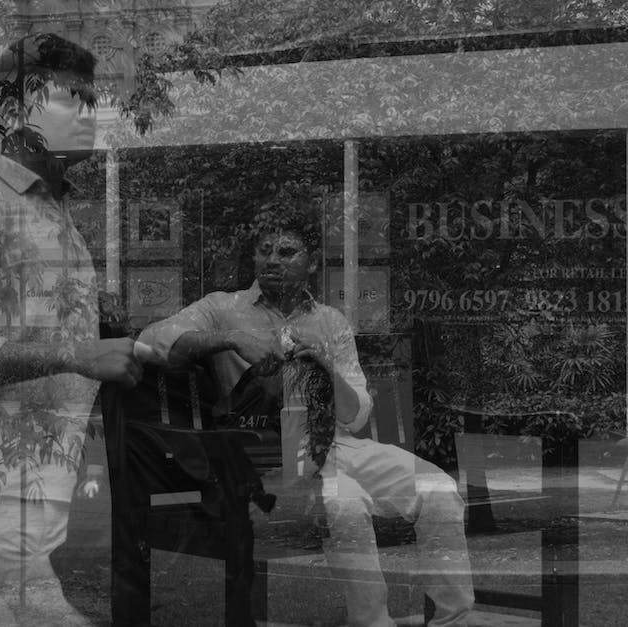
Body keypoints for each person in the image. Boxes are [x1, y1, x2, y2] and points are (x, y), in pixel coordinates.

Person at [138, 197, 474, 627]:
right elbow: (150, 341)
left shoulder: (331, 321)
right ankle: (371, 623)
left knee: (439, 488)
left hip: (334, 445)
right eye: (264, 250)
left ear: (311, 262)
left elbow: (355, 415)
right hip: (262, 454)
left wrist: (326, 366)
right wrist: (227, 339)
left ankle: (455, 619)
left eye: (286, 251)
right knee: (345, 503)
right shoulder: (222, 307)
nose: (272, 260)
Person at [0, 33, 140, 622]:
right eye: (68, 98)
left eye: (89, 100)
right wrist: (78, 356)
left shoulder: (53, 213)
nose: (88, 115)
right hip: (5, 502)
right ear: (12, 112)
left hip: (67, 492)